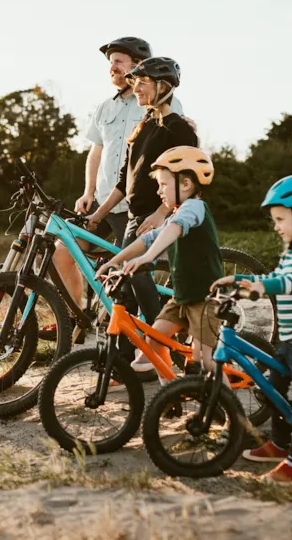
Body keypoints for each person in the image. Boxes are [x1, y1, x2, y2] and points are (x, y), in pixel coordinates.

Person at [209, 174, 292, 486]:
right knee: (273, 390)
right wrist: (237, 283)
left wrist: (261, 286)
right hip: (290, 339)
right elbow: (275, 275)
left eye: (281, 219)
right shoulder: (291, 251)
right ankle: (280, 444)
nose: (276, 226)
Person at [51, 38, 183, 311]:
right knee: (63, 250)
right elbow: (96, 152)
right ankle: (75, 315)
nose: (112, 68)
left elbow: (177, 153)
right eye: (111, 63)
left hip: (138, 205)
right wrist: (88, 193)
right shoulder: (104, 108)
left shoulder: (154, 103)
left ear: (137, 66)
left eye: (118, 62)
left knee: (132, 269)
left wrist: (162, 209)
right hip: (105, 199)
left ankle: (149, 330)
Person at [86, 57, 197, 359]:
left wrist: (162, 213)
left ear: (163, 86)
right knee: (124, 285)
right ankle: (123, 357)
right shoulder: (143, 125)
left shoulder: (178, 129)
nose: (136, 88)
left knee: (135, 273)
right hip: (135, 214)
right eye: (134, 82)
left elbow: (189, 179)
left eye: (143, 82)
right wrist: (99, 213)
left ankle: (162, 342)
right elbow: (124, 180)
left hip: (158, 215)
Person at [95, 146, 224, 382]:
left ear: (185, 184)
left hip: (204, 299)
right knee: (153, 340)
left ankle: (232, 412)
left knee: (206, 360)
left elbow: (173, 231)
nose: (159, 191)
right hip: (182, 298)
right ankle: (170, 393)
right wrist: (114, 261)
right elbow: (147, 239)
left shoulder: (193, 207)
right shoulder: (176, 213)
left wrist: (147, 259)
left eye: (163, 184)